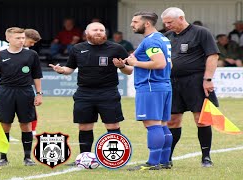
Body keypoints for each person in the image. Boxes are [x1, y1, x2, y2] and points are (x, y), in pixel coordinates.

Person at [49, 22, 133, 165]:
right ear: (87, 33)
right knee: (84, 126)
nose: (99, 32)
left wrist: (122, 66)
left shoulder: (116, 48)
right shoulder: (77, 48)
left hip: (108, 93)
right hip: (84, 93)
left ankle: (115, 159)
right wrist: (62, 70)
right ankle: (84, 158)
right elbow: (70, 68)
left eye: (101, 30)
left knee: (112, 126)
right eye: (95, 30)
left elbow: (129, 70)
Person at [161, 7, 220, 167]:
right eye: (165, 23)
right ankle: (167, 158)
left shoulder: (201, 32)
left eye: (170, 22)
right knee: (172, 121)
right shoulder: (166, 37)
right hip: (172, 82)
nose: (167, 26)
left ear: (181, 18)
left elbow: (212, 55)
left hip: (195, 81)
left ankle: (206, 157)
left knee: (201, 119)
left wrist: (208, 78)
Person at [125, 11, 173, 171]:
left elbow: (160, 64)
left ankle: (153, 163)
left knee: (152, 125)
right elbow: (169, 64)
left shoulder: (150, 42)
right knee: (162, 125)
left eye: (135, 21)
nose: (132, 24)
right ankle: (165, 161)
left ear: (147, 24)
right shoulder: (163, 39)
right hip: (163, 86)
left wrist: (135, 62)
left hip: (151, 87)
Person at [0, 27, 43, 166]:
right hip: (5, 92)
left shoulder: (31, 55)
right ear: (8, 39)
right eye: (18, 38)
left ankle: (27, 158)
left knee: (26, 125)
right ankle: (3, 157)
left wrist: (39, 94)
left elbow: (37, 76)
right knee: (5, 125)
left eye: (23, 38)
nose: (21, 40)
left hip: (25, 92)